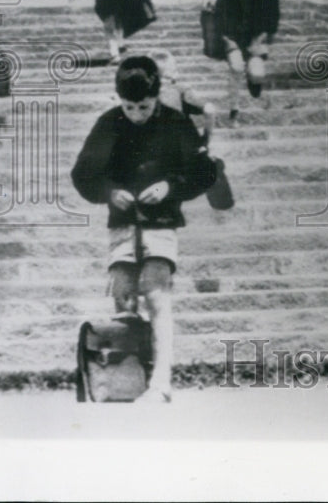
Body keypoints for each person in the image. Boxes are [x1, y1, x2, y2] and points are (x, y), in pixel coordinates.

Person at [71, 55, 215, 402]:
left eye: (144, 107)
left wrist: (170, 187)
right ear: (120, 99)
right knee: (122, 294)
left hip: (161, 222)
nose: (136, 114)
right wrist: (109, 191)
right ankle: (127, 377)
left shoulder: (175, 123)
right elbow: (83, 173)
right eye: (130, 107)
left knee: (156, 294)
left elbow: (203, 171)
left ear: (157, 97)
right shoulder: (109, 123)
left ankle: (161, 382)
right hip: (123, 222)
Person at [193, 0, 280, 123]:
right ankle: (234, 109)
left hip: (255, 33)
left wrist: (267, 31)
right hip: (229, 29)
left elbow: (272, 4)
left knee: (256, 73)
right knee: (236, 67)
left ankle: (254, 80)